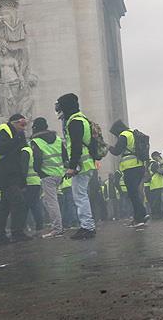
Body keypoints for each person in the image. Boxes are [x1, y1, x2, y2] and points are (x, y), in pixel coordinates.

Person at [57, 93, 97, 239]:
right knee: (81, 196)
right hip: (86, 163)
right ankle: (87, 226)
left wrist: (72, 166)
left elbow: (76, 146)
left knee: (80, 196)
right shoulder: (81, 118)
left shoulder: (74, 121)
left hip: (82, 164)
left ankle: (87, 227)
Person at [0, 114, 32, 243]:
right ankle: (17, 232)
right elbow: (1, 149)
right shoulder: (4, 131)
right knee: (18, 202)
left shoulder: (16, 134)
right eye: (22, 124)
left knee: (5, 205)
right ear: (14, 123)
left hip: (10, 173)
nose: (24, 128)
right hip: (7, 174)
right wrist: (16, 139)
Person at [29, 118, 66, 237]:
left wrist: (38, 170)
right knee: (47, 200)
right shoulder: (58, 139)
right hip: (59, 173)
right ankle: (57, 223)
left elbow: (37, 158)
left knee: (51, 202)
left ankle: (57, 228)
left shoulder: (36, 141)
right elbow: (65, 156)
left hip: (47, 174)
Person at [108, 120, 149, 227]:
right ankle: (138, 216)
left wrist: (109, 147)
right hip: (139, 166)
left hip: (131, 168)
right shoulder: (133, 134)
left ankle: (141, 216)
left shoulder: (124, 135)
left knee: (132, 194)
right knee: (134, 193)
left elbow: (117, 151)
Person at [147, 152, 163, 218]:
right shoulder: (154, 163)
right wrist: (162, 163)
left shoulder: (151, 163)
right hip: (156, 183)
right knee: (157, 200)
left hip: (154, 184)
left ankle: (156, 214)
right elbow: (162, 171)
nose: (159, 157)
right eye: (158, 156)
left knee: (156, 200)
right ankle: (156, 214)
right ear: (154, 156)